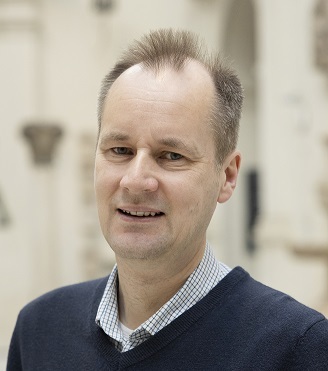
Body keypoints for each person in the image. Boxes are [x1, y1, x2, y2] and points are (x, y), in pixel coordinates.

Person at [7, 29, 328, 370]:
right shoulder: (39, 331)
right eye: (120, 150)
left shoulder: (296, 349)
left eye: (171, 155)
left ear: (228, 176)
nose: (135, 180)